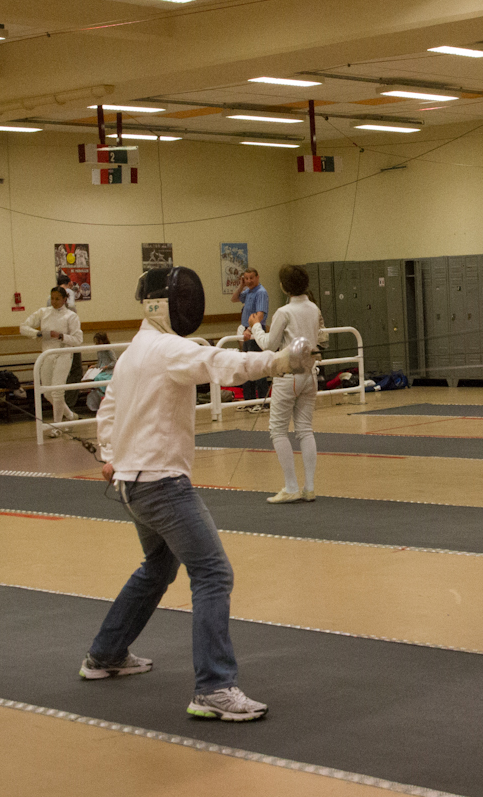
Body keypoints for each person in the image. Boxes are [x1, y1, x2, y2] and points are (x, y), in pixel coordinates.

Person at [82, 266, 316, 722]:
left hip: (132, 484)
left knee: (158, 568)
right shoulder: (168, 349)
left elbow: (107, 410)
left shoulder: (133, 352)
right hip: (162, 485)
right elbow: (221, 363)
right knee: (213, 573)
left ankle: (105, 654)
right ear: (162, 305)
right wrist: (280, 361)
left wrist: (111, 456)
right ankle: (214, 687)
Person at [251, 264, 326, 503]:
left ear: (285, 286)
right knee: (305, 430)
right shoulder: (313, 308)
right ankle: (309, 488)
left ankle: (291, 487)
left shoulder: (284, 312)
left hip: (288, 377)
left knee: (278, 430)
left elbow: (268, 345)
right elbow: (321, 339)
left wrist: (255, 327)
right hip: (310, 376)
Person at [20, 287, 83, 422]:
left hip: (63, 354)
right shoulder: (43, 312)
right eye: (52, 298)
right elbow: (23, 327)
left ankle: (57, 426)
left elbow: (78, 340)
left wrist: (60, 336)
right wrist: (38, 333)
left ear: (64, 299)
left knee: (57, 391)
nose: (54, 301)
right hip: (47, 355)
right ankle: (71, 416)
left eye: (57, 299)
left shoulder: (71, 316)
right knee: (47, 392)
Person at [233, 267, 271, 403]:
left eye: (251, 278)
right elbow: (234, 298)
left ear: (257, 277)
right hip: (246, 331)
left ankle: (261, 401)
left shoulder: (261, 292)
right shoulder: (248, 291)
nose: (249, 281)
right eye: (246, 278)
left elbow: (260, 315)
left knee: (257, 366)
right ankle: (249, 400)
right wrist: (241, 286)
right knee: (246, 366)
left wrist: (250, 329)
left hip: (255, 331)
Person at [83, 331, 116, 414]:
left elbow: (114, 361)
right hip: (101, 369)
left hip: (108, 371)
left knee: (99, 378)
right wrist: (94, 366)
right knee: (94, 377)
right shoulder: (99, 351)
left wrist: (106, 366)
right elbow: (100, 362)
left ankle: (104, 394)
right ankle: (98, 396)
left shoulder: (109, 349)